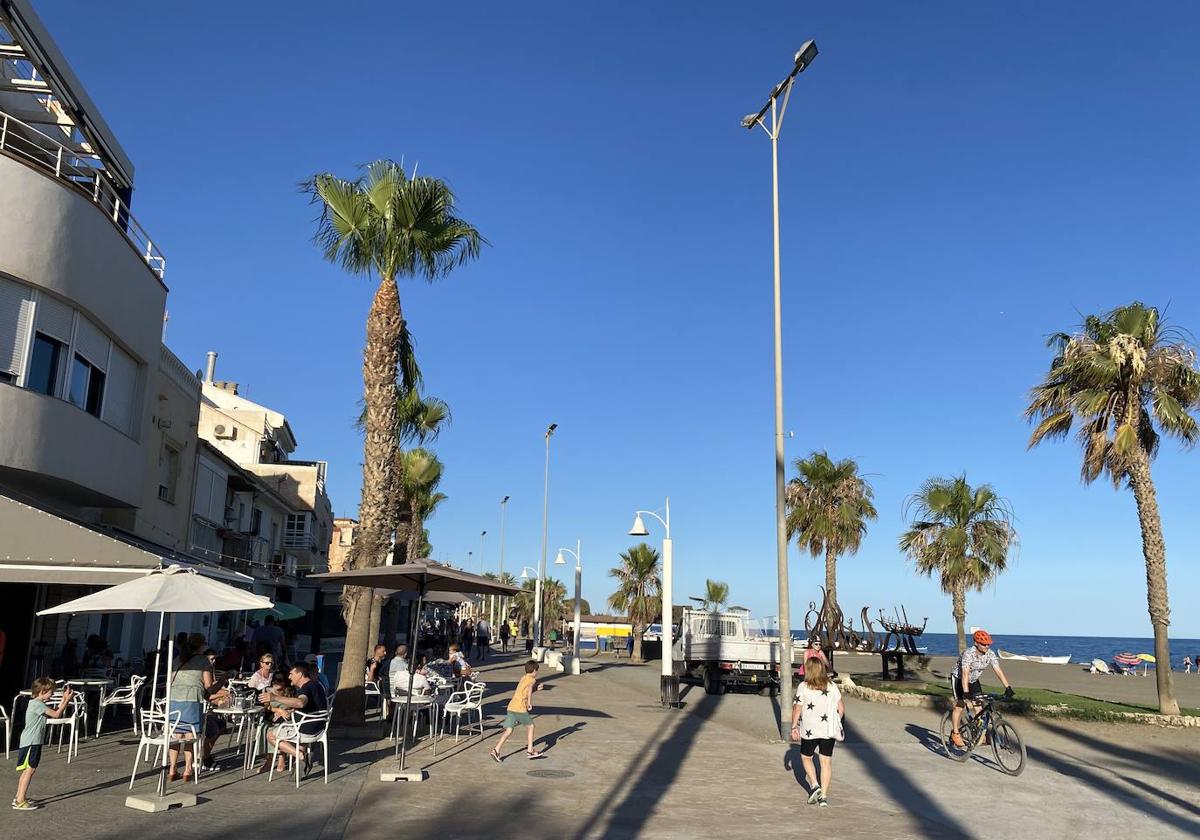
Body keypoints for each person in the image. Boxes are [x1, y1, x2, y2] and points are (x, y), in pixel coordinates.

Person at [789, 657, 844, 808]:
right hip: (828, 730)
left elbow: (797, 708)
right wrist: (836, 721)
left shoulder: (804, 686)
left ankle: (814, 785)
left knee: (806, 757)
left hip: (809, 730)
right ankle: (824, 797)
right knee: (825, 762)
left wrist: (794, 727)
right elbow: (841, 708)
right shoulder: (832, 686)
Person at [168, 633, 223, 781]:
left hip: (174, 699)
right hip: (192, 699)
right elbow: (209, 687)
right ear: (202, 645)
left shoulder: (178, 659)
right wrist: (224, 678)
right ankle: (187, 770)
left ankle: (172, 769)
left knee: (176, 735)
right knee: (190, 737)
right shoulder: (203, 661)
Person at [12, 678, 72, 810]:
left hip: (30, 741)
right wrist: (66, 700)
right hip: (32, 742)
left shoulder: (36, 704)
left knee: (27, 770)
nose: (52, 695)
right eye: (51, 692)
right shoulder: (38, 705)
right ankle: (20, 800)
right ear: (42, 691)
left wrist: (63, 700)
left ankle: (18, 797)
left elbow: (53, 711)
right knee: (30, 770)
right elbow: (56, 714)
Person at [258, 662, 329, 775]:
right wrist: (292, 711)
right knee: (289, 732)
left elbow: (300, 702)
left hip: (306, 729)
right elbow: (312, 706)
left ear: (300, 674)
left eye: (291, 674)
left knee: (271, 735)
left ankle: (301, 757)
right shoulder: (317, 685)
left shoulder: (306, 688)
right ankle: (299, 767)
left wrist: (274, 697)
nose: (289, 676)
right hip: (319, 727)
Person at [949, 629, 1014, 749]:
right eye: (984, 644)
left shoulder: (990, 654)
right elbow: (965, 673)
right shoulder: (968, 654)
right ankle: (955, 733)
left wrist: (1008, 687)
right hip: (959, 679)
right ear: (976, 643)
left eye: (988, 644)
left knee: (979, 707)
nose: (986, 646)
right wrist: (966, 692)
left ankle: (979, 734)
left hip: (973, 680)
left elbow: (998, 670)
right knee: (960, 705)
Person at [490, 660, 545, 762]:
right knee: (531, 726)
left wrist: (536, 689)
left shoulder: (523, 678)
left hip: (511, 706)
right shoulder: (532, 680)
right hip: (520, 707)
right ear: (533, 671)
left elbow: (523, 690)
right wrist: (529, 703)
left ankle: (496, 750)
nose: (537, 673)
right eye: (536, 671)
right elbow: (528, 692)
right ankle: (530, 751)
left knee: (509, 730)